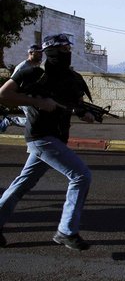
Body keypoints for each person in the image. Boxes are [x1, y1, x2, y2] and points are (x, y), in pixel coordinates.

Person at [0, 34, 95, 250]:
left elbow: (76, 104)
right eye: (62, 49)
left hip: (55, 139)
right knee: (81, 175)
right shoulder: (34, 73)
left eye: (68, 49)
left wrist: (84, 113)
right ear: (50, 51)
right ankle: (66, 231)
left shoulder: (71, 78)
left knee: (22, 184)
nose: (67, 53)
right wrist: (38, 102)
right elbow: (3, 94)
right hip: (41, 137)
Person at [8, 44, 45, 128]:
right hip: (22, 97)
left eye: (41, 53)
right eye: (38, 53)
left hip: (31, 96)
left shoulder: (36, 66)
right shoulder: (22, 66)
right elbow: (12, 82)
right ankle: (9, 121)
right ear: (31, 53)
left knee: (37, 119)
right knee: (34, 120)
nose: (41, 55)